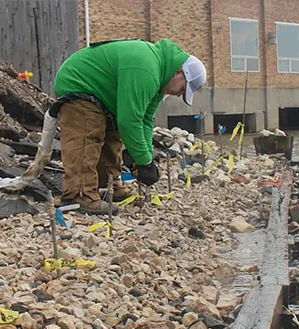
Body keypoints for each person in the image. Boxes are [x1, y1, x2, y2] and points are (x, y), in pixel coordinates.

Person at [49, 38, 207, 214]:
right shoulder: (147, 69)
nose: (178, 95)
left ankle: (107, 186)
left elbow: (145, 120)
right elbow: (129, 121)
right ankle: (79, 195)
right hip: (78, 84)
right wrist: (144, 161)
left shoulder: (159, 79)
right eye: (182, 89)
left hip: (102, 96)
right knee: (88, 134)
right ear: (179, 71)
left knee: (113, 134)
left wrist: (144, 158)